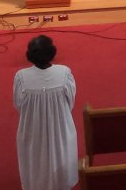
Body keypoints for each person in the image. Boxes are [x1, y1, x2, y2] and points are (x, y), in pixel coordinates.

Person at [13, 35, 78, 190]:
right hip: (60, 128)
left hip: (33, 129)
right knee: (60, 155)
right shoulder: (64, 73)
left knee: (36, 159)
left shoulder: (21, 76)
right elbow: (70, 102)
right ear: (52, 52)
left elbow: (18, 104)